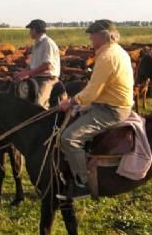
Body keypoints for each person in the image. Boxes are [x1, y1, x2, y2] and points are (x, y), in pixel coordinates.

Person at [58, 20, 134, 199]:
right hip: (110, 102)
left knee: (69, 138)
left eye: (93, 34)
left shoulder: (107, 56)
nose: (90, 38)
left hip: (111, 109)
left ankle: (84, 184)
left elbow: (92, 91)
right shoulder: (117, 51)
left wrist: (71, 102)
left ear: (103, 35)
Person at [15, 19, 60, 109]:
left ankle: (45, 121)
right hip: (35, 77)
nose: (30, 32)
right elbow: (31, 65)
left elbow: (47, 66)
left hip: (47, 79)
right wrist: (21, 73)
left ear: (35, 30)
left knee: (39, 104)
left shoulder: (47, 43)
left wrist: (28, 74)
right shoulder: (37, 43)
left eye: (31, 30)